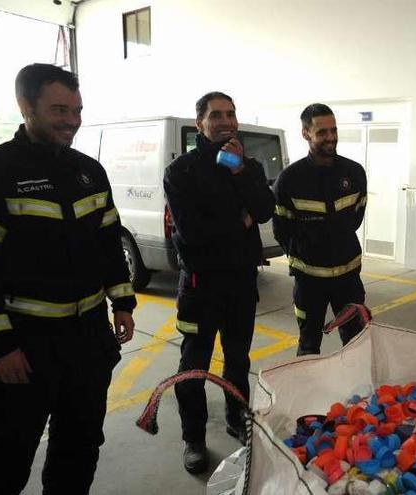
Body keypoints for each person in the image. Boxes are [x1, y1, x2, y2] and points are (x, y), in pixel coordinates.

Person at [0, 63, 136, 494]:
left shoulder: (88, 172)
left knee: (79, 452)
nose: (71, 121)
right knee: (1, 466)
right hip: (24, 347)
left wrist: (123, 302)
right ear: (25, 106)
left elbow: (108, 243)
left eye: (76, 110)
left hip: (87, 343)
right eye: (59, 110)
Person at [163, 91, 274, 473]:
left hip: (241, 284)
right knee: (193, 366)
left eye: (230, 113)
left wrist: (239, 173)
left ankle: (235, 418)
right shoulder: (181, 173)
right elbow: (192, 232)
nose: (225, 120)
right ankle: (193, 438)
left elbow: (263, 211)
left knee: (238, 360)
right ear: (199, 123)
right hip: (199, 286)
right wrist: (238, 221)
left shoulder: (250, 167)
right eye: (215, 115)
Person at [272, 103, 368, 356]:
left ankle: (356, 394)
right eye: (322, 132)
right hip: (309, 280)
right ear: (306, 133)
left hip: (348, 277)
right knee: (308, 344)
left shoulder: (354, 172)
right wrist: (304, 253)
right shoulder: (289, 179)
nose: (330, 137)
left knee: (357, 342)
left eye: (333, 130)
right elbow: (282, 229)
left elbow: (356, 219)